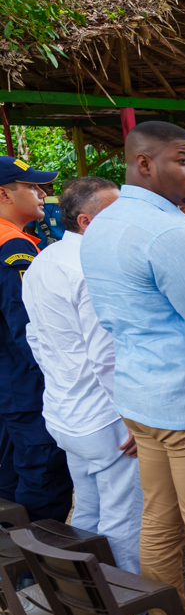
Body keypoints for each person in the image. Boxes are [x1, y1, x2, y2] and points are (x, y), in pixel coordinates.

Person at [81, 123, 185, 612]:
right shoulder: (171, 233)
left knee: (159, 523)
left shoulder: (101, 224)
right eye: (184, 160)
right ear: (144, 163)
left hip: (141, 398)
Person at [21, 177, 142, 571]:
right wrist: (132, 417)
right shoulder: (92, 267)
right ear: (87, 221)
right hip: (103, 415)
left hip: (65, 409)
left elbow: (34, 337)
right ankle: (129, 614)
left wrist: (62, 380)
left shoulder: (45, 259)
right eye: (116, 211)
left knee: (89, 511)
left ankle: (90, 601)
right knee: (123, 519)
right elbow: (106, 354)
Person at [1, 156, 73, 524]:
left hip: (8, 385)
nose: (43, 193)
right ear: (4, 194)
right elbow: (27, 329)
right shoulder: (13, 248)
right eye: (32, 186)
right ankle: (34, 576)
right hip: (24, 387)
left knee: (8, 479)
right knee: (42, 479)